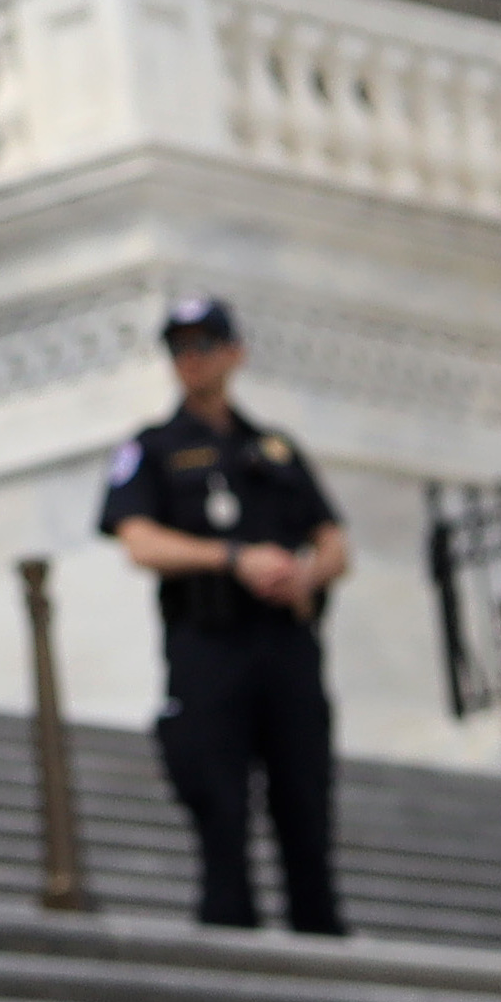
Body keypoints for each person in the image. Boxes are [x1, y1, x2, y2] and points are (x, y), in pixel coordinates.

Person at [97, 292, 350, 935]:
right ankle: (230, 944)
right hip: (207, 646)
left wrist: (303, 574)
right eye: (179, 350)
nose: (192, 361)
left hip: (284, 646)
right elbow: (139, 541)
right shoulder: (152, 448)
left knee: (305, 805)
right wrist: (232, 558)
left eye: (204, 346)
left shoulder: (275, 450)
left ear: (233, 354)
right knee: (220, 808)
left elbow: (334, 542)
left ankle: (320, 943)